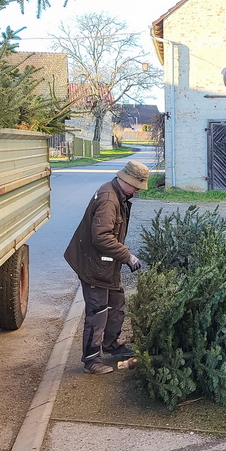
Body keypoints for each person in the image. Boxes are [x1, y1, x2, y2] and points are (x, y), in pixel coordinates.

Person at [64, 160, 150, 374]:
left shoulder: (118, 195)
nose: (138, 191)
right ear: (126, 180)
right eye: (137, 186)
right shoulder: (109, 199)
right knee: (98, 311)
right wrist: (127, 256)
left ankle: (111, 344)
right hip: (94, 265)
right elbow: (102, 237)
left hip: (106, 265)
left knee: (116, 302)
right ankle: (91, 360)